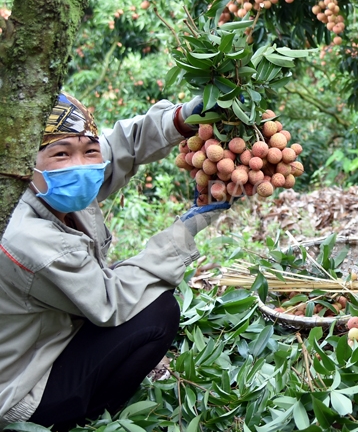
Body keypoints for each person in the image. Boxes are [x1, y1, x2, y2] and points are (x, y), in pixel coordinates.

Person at [0, 93, 230, 430]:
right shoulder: (26, 236)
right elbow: (113, 300)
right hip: (22, 389)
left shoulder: (52, 183)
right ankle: (81, 413)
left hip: (52, 338)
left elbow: (122, 146)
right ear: (25, 162)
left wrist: (180, 119)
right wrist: (187, 228)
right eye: (61, 154)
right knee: (157, 313)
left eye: (88, 151)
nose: (81, 164)